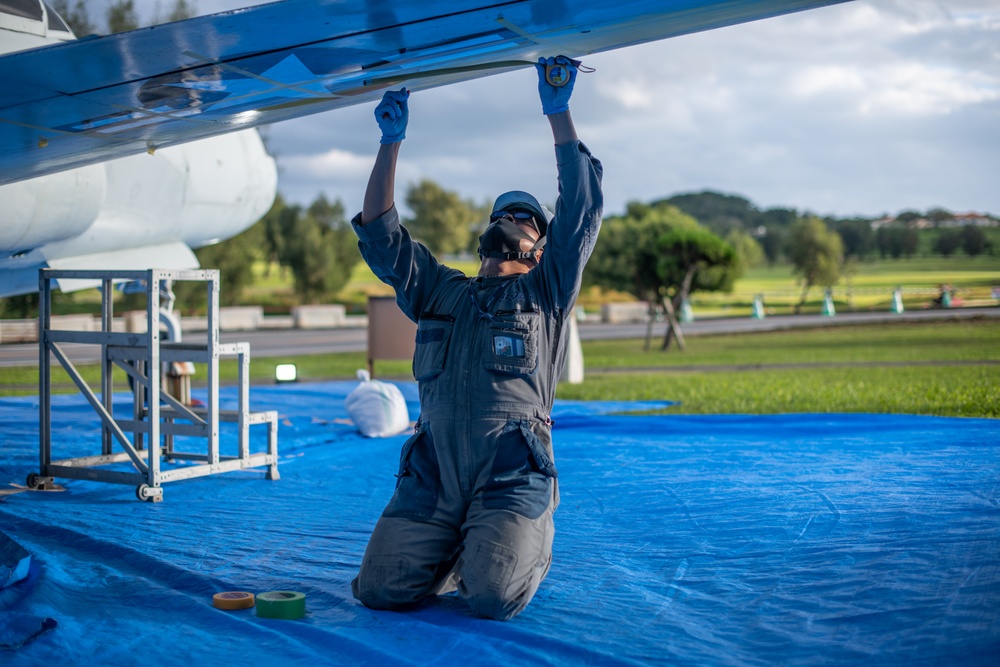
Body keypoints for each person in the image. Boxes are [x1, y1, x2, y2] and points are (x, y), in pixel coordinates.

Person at [350, 57, 603, 620]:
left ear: (541, 247)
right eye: (504, 213)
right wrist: (389, 143)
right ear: (485, 234)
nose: (513, 218)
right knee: (378, 591)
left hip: (511, 473)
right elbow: (382, 237)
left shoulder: (547, 291)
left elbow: (581, 211)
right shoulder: (442, 291)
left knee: (490, 597)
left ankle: (514, 543)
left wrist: (558, 112)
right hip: (435, 471)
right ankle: (454, 543)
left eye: (527, 218)